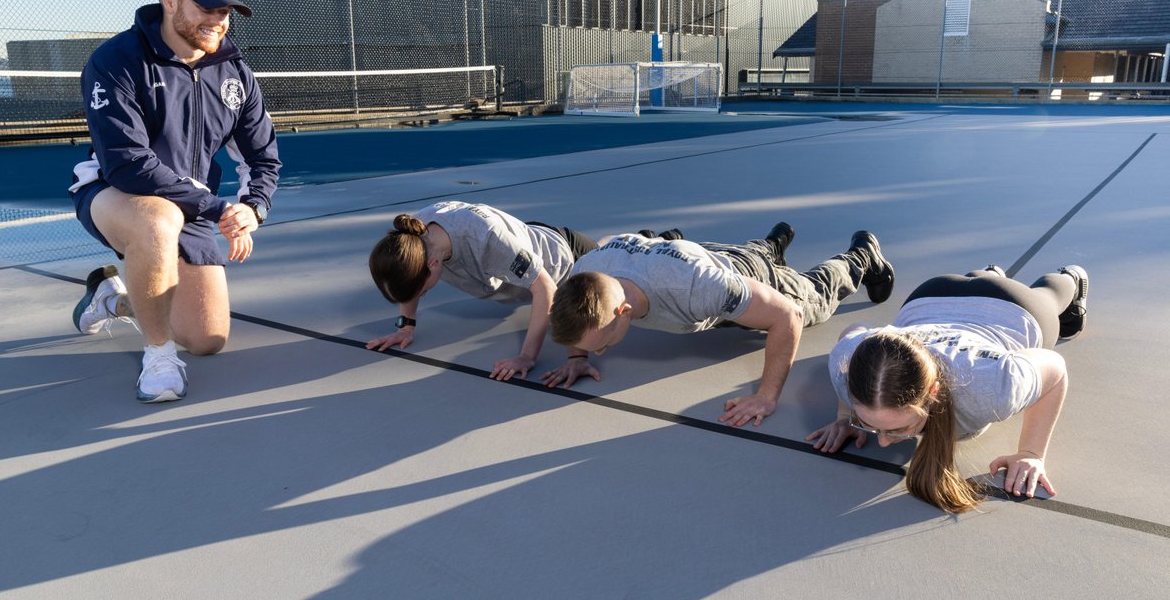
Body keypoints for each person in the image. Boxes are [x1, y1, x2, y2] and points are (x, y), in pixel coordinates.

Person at [68, 0, 281, 403]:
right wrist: (219, 207)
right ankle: (159, 356)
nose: (217, 20)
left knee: (208, 339)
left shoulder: (235, 71)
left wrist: (252, 209)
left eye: (224, 11)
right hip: (115, 193)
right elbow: (127, 163)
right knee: (158, 219)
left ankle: (112, 297)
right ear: (170, 0)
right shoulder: (116, 61)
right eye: (206, 8)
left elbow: (262, 157)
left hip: (195, 206)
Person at [545, 225, 896, 426]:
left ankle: (862, 256)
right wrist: (577, 357)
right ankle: (770, 244)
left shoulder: (696, 287)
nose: (602, 352)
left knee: (813, 302)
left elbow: (788, 317)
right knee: (731, 273)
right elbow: (610, 242)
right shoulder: (584, 271)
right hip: (700, 254)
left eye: (603, 345)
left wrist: (766, 397)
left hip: (736, 273)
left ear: (623, 311)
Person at [808, 264, 1088, 513]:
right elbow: (853, 332)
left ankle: (1070, 277)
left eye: (896, 428)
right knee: (982, 282)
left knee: (1049, 298)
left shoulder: (991, 386)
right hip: (929, 298)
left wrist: (1031, 454)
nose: (882, 442)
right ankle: (987, 274)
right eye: (869, 424)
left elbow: (1055, 367)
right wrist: (845, 418)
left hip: (1011, 308)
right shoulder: (846, 370)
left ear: (932, 393)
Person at [366, 201, 610, 380]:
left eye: (422, 291)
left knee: (610, 263)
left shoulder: (486, 239)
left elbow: (545, 288)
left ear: (432, 264)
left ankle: (630, 240)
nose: (421, 295)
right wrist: (406, 325)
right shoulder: (411, 238)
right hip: (522, 244)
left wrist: (526, 357)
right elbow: (406, 274)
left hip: (564, 259)